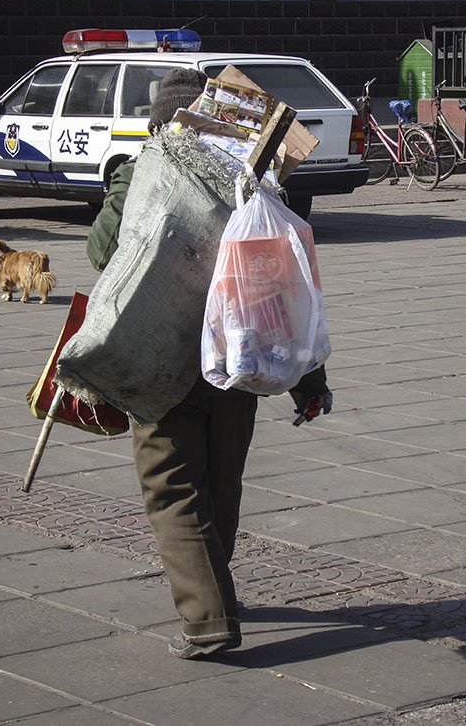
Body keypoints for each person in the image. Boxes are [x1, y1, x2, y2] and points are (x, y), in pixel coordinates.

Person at [86, 67, 332, 659]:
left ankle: (208, 618)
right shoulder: (255, 180)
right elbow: (283, 285)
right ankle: (217, 586)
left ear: (158, 125)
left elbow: (101, 253)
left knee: (171, 486)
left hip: (163, 357)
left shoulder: (144, 173)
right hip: (238, 356)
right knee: (221, 480)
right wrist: (309, 376)